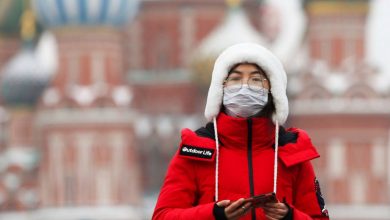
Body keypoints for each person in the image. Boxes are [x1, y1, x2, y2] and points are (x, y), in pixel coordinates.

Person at [152, 43, 330, 220]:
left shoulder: (292, 152)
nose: (244, 87)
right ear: (221, 88)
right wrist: (214, 215)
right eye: (236, 79)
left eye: (255, 80)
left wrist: (290, 217)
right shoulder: (196, 150)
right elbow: (162, 216)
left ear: (273, 90)